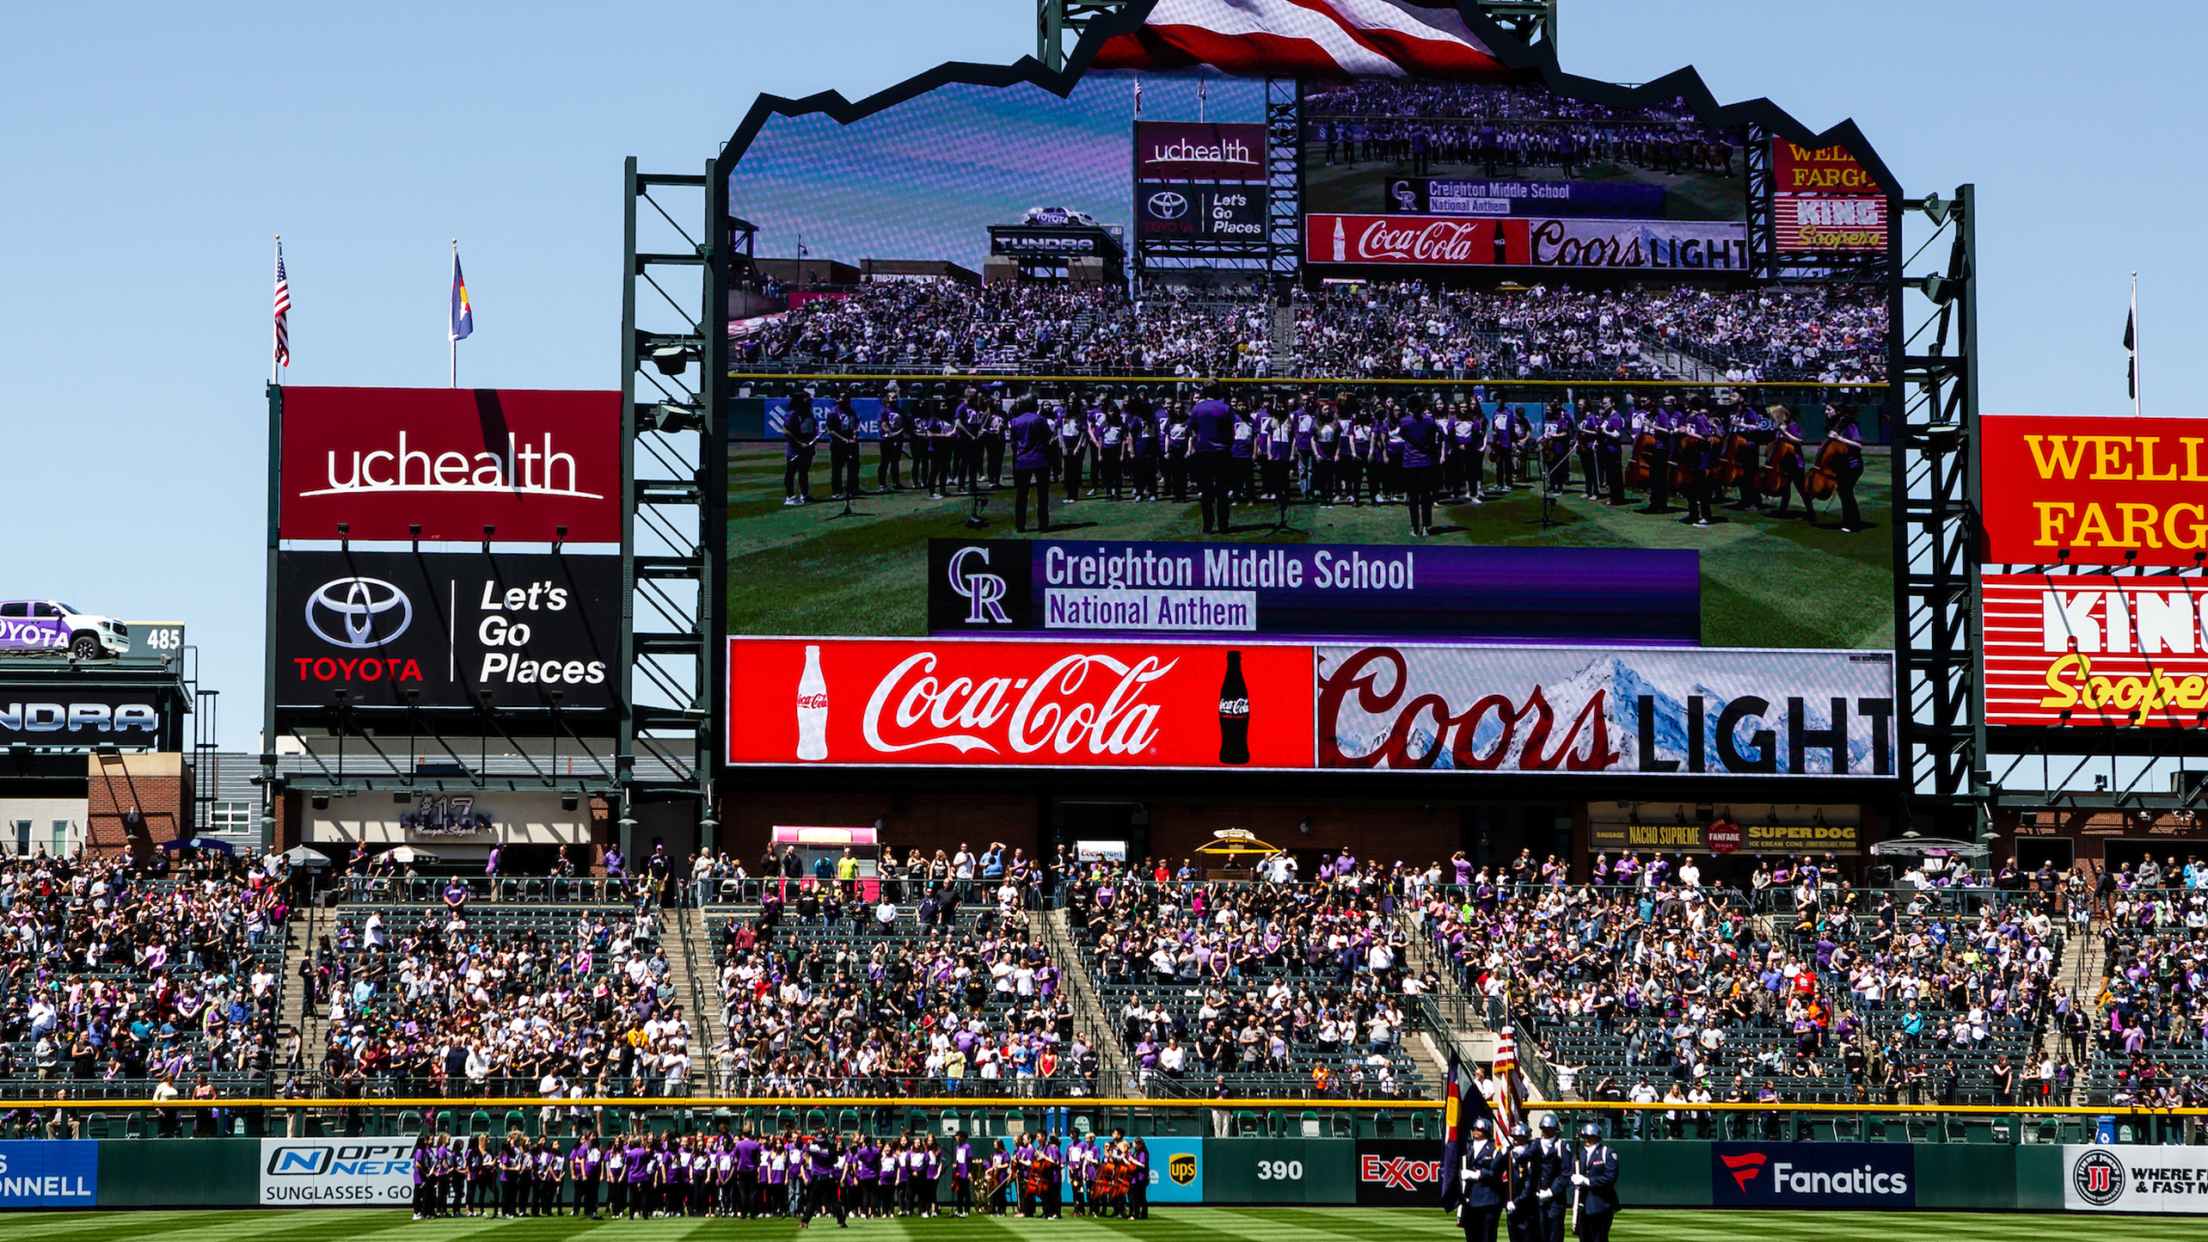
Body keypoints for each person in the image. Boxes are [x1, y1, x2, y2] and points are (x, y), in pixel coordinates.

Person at [1558, 1123, 1619, 1242]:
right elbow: (1572, 1180)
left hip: (1601, 1204)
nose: (1586, 1139)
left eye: (1590, 1136)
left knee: (1599, 1238)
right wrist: (1576, 1198)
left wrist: (1587, 1181)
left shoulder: (1607, 1153)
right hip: (1583, 1206)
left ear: (1597, 1137)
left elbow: (1610, 1178)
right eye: (1584, 1136)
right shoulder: (1578, 1156)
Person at [1190, 382, 1234, 534]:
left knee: (1206, 490)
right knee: (1222, 490)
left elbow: (1193, 428)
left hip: (1203, 451)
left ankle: (1207, 525)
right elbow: (1231, 430)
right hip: (1221, 451)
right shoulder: (1225, 408)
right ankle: (1223, 525)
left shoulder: (1197, 408)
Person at [1457, 1116, 1506, 1242]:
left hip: (1488, 1199)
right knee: (1472, 1237)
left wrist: (1476, 1175)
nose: (1475, 1130)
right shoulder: (1466, 1147)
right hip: (1470, 1200)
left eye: (1479, 1128)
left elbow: (1495, 1172)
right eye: (1473, 1128)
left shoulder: (1494, 1148)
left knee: (1487, 1237)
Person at [1010, 396, 1053, 533]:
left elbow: (1013, 442)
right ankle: (1043, 524)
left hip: (1022, 459)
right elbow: (1047, 436)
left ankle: (1020, 524)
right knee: (1042, 494)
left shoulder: (1016, 421)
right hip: (1040, 458)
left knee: (1021, 494)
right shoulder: (1040, 419)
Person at [782, 390, 820, 506]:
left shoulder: (808, 414)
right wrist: (799, 442)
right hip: (795, 448)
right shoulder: (793, 414)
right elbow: (786, 431)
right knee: (791, 471)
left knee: (804, 472)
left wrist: (812, 441)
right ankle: (790, 496)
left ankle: (805, 494)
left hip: (807, 448)